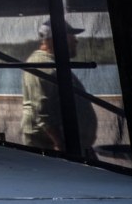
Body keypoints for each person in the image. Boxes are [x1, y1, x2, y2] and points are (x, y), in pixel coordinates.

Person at [21, 19, 98, 157]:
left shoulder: (53, 63)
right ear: (52, 40)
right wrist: (59, 144)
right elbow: (42, 110)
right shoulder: (43, 64)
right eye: (70, 36)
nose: (76, 41)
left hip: (72, 145)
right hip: (54, 147)